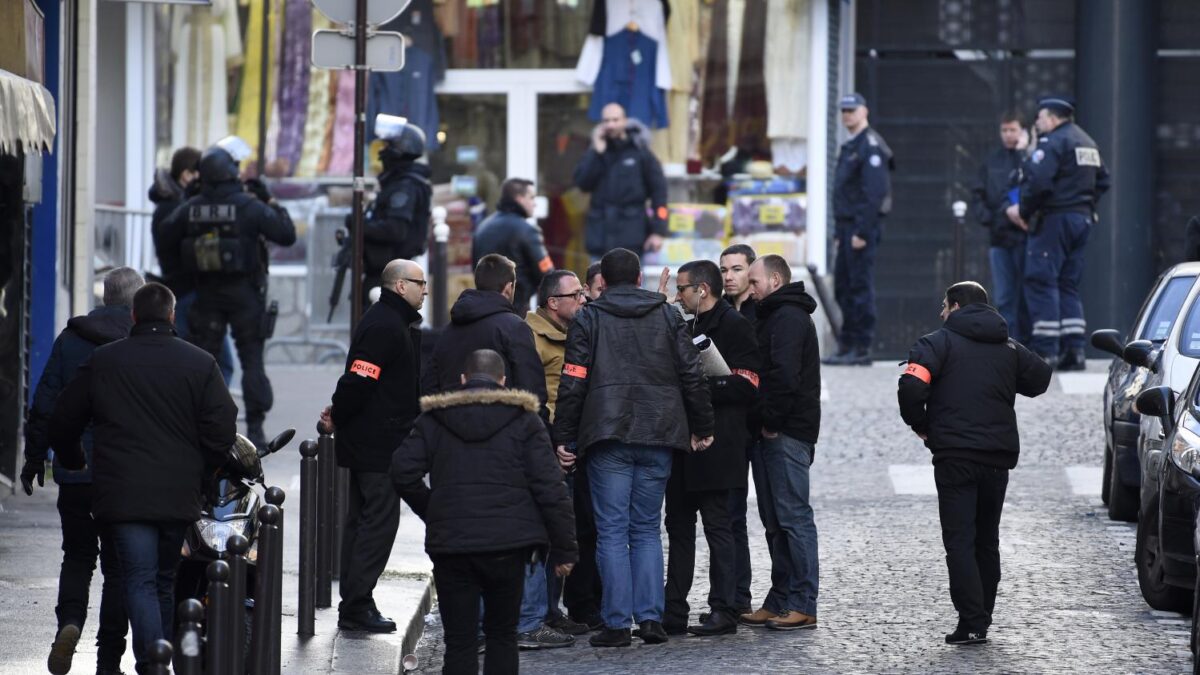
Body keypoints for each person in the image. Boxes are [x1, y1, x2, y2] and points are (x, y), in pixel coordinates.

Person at [49, 282, 238, 673]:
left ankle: (153, 662)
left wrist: (73, 456)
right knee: (163, 580)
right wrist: (204, 470)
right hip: (178, 493)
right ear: (171, 315)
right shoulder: (200, 363)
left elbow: (64, 417)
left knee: (138, 578)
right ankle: (155, 660)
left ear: (133, 316)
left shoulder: (105, 361)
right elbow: (222, 428)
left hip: (122, 492)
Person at [553, 248, 714, 648]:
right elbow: (692, 373)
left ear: (602, 282)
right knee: (645, 528)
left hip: (607, 435)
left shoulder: (589, 318)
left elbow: (572, 382)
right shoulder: (666, 314)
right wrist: (702, 425)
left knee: (611, 530)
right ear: (640, 278)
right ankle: (650, 619)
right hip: (659, 431)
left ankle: (616, 624)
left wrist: (564, 438)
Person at [391, 349, 578, 675]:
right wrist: (565, 549)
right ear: (503, 381)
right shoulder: (524, 420)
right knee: (502, 636)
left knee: (460, 642)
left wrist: (433, 509)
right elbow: (550, 488)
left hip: (452, 545)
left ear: (463, 380)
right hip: (508, 545)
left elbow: (402, 471)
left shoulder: (434, 419)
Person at [897, 281, 1052, 644]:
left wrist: (922, 426)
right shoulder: (1007, 346)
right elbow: (1041, 379)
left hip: (955, 456)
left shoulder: (936, 343)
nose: (940, 313)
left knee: (960, 541)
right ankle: (983, 617)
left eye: (944, 306)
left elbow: (911, 388)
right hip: (997, 459)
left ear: (954, 306)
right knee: (987, 540)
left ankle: (971, 621)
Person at [22, 267, 142, 675]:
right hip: (123, 473)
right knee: (118, 567)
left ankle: (69, 623)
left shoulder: (71, 338)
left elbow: (45, 401)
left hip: (75, 470)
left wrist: (35, 456)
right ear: (136, 303)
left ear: (105, 297)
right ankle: (108, 660)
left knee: (76, 557)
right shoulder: (141, 342)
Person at [159, 135, 297, 449]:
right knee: (251, 362)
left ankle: (200, 425)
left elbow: (165, 236)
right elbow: (286, 234)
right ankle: (257, 431)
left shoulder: (193, 207)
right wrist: (270, 200)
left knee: (204, 361)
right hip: (245, 295)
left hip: (206, 294)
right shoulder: (248, 205)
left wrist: (189, 199)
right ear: (232, 173)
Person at [318, 259, 427, 633]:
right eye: (420, 283)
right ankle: (357, 604)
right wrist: (339, 413)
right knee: (377, 523)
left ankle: (356, 601)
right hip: (377, 442)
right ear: (400, 286)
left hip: (374, 438)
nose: (425, 289)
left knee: (364, 522)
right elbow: (359, 380)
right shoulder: (385, 325)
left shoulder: (392, 321)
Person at [661, 260, 760, 637]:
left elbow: (748, 385)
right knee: (679, 528)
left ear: (702, 290)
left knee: (719, 528)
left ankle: (725, 607)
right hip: (682, 445)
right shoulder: (684, 323)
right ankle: (674, 610)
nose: (678, 295)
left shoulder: (734, 326)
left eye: (683, 289)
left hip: (719, 443)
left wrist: (700, 386)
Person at [742, 254, 821, 631]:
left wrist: (771, 422)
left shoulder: (788, 317)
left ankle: (803, 603)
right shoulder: (772, 314)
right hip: (772, 429)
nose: (750, 288)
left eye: (755, 281)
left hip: (786, 432)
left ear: (774, 280)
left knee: (793, 519)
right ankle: (780, 599)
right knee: (775, 521)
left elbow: (784, 376)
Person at [1006, 96, 1110, 370]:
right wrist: (1086, 205)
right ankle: (1074, 350)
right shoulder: (1087, 141)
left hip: (1054, 220)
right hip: (1081, 219)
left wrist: (1024, 211)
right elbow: (1104, 180)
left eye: (1040, 118)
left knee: (1042, 280)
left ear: (1052, 118)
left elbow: (1038, 182)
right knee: (1067, 283)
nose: (1037, 124)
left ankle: (1046, 351)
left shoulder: (1052, 142)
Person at [525, 271, 600, 634]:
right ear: (554, 302)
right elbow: (535, 400)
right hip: (551, 446)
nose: (583, 300)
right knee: (547, 533)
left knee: (567, 533)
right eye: (577, 295)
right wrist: (552, 443)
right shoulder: (531, 336)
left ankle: (552, 609)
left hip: (576, 443)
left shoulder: (579, 331)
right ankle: (537, 614)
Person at [149, 146, 235, 383]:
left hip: (189, 291)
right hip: (187, 292)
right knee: (218, 363)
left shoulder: (176, 205)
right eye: (200, 175)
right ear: (187, 174)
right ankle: (210, 415)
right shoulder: (175, 209)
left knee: (209, 361)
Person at [423, 254, 548, 417]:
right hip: (503, 431)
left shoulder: (449, 330)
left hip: (453, 430)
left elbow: (430, 386)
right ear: (509, 287)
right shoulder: (515, 327)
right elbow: (532, 391)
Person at [828, 92, 894, 366]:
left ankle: (861, 346)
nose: (847, 115)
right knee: (843, 287)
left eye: (852, 110)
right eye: (844, 110)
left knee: (859, 287)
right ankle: (846, 345)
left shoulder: (870, 146)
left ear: (864, 111)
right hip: (846, 228)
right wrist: (838, 234)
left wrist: (861, 232)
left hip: (859, 228)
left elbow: (874, 194)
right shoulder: (852, 144)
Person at [718, 243, 758, 617]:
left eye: (736, 269)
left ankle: (742, 596)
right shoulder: (719, 312)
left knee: (771, 516)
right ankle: (735, 596)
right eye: (724, 269)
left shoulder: (760, 313)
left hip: (756, 425)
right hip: (729, 426)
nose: (729, 276)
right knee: (729, 513)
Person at [573, 102, 668, 261]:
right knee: (598, 285)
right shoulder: (596, 151)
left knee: (632, 286)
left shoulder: (640, 152)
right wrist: (597, 153)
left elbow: (660, 193)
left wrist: (658, 231)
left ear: (624, 121)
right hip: (599, 239)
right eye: (606, 120)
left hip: (632, 238)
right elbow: (582, 184)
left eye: (615, 120)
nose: (610, 125)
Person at [359, 114, 434, 301]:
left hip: (394, 276)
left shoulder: (405, 186)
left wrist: (360, 226)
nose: (382, 151)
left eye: (387, 146)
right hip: (388, 272)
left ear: (399, 150)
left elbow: (395, 230)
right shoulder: (397, 182)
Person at [971, 112, 1030, 343]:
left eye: (1012, 130)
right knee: (1004, 295)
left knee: (1027, 293)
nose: (1008, 135)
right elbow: (978, 194)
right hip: (999, 236)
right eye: (1004, 130)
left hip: (1025, 237)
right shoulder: (992, 160)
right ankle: (1009, 341)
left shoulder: (1028, 158)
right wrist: (989, 218)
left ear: (1022, 131)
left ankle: (1026, 341)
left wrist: (1024, 154)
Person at [472, 178, 555, 312]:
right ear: (520, 198)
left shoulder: (482, 228)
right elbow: (548, 275)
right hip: (516, 309)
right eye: (532, 198)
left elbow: (475, 269)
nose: (535, 204)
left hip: (483, 310)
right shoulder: (527, 230)